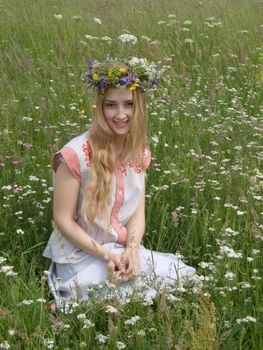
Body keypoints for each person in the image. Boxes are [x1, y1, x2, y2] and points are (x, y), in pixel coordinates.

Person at [43, 57, 196, 310]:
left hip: (119, 247)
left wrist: (132, 250)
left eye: (129, 105)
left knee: (181, 276)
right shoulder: (74, 156)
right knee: (113, 290)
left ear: (140, 108)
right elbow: (63, 220)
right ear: (100, 108)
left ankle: (82, 301)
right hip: (81, 252)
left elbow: (137, 211)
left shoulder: (139, 152)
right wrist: (106, 256)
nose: (121, 114)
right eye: (111, 105)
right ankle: (69, 301)